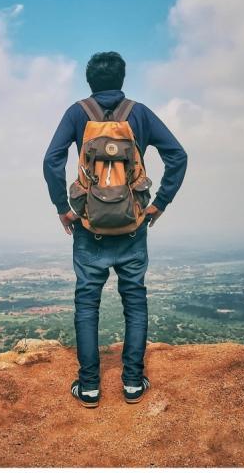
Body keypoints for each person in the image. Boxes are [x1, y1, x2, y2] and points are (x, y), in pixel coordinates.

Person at [42, 51, 187, 407]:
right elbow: (178, 156)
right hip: (133, 225)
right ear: (122, 79)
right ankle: (133, 384)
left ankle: (89, 386)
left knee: (87, 303)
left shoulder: (78, 113)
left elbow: (51, 161)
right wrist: (159, 204)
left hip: (89, 227)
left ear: (89, 81)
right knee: (134, 301)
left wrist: (63, 208)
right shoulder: (139, 113)